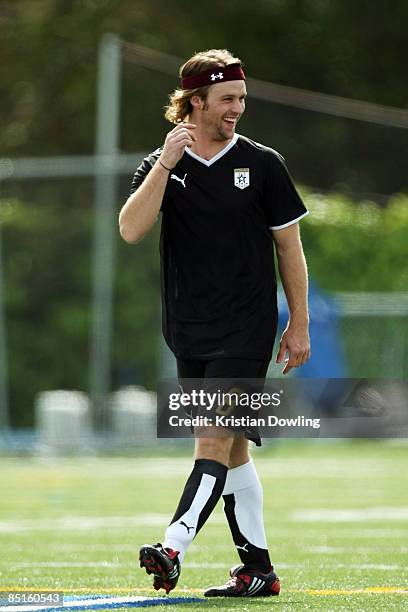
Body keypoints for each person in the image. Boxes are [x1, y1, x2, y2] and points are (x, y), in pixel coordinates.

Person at [119, 49, 311, 598]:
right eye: (227, 100)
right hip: (187, 329)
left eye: (242, 99)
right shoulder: (165, 161)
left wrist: (298, 323)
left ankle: (172, 547)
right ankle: (258, 571)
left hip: (246, 329)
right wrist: (163, 165)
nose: (237, 109)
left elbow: (290, 250)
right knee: (234, 451)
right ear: (195, 101)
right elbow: (130, 228)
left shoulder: (264, 163)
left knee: (212, 439)